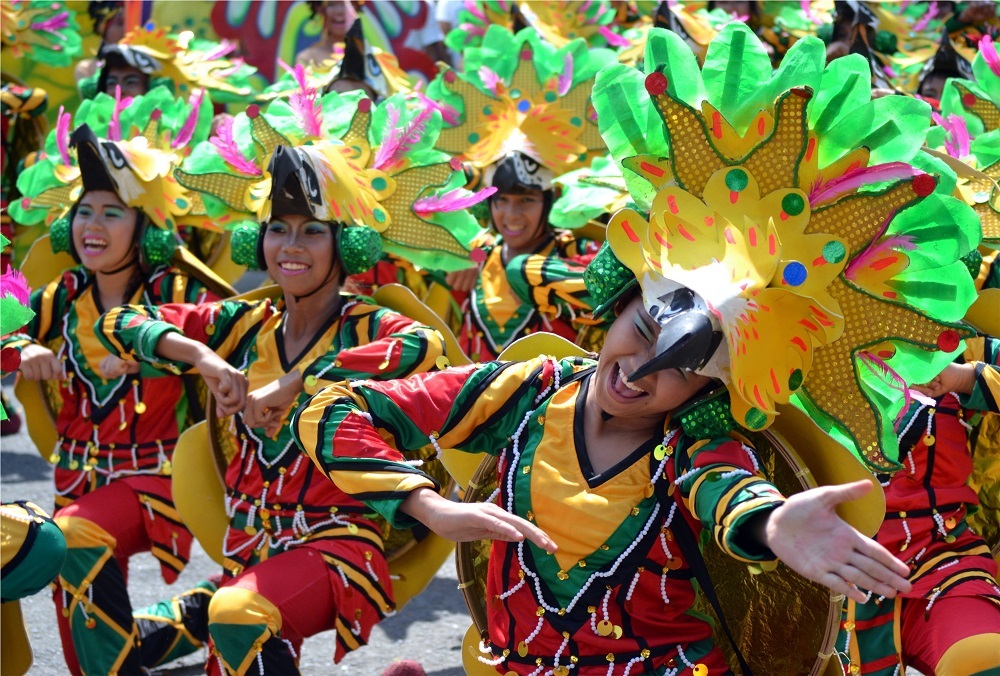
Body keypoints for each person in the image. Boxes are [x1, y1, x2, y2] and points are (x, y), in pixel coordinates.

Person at [97, 86, 490, 674]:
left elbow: (424, 346)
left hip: (341, 548)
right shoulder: (246, 323)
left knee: (235, 616)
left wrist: (295, 385)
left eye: (312, 230)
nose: (291, 246)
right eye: (278, 229)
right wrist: (203, 358)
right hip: (254, 548)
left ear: (347, 242)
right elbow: (118, 321)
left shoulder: (368, 325)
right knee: (164, 632)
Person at [3, 121, 228, 675]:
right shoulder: (61, 296)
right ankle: (199, 614)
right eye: (85, 211)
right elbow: (6, 324)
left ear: (144, 226)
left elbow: (241, 338)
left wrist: (167, 355)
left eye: (111, 212)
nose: (93, 225)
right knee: (88, 612)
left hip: (159, 479)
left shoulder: (177, 294)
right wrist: (23, 347)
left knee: (72, 539)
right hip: (78, 479)